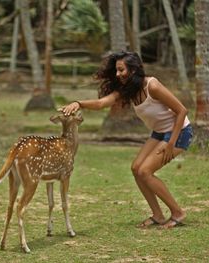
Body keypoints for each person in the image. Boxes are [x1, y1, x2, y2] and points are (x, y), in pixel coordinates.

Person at [61, 51, 193, 229]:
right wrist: (79, 103)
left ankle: (177, 212)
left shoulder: (151, 85)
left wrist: (171, 144)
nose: (117, 74)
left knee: (145, 171)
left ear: (133, 70)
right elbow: (102, 103)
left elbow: (182, 110)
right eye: (116, 70)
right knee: (136, 168)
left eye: (121, 70)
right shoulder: (128, 90)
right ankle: (158, 215)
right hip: (159, 132)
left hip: (179, 132)